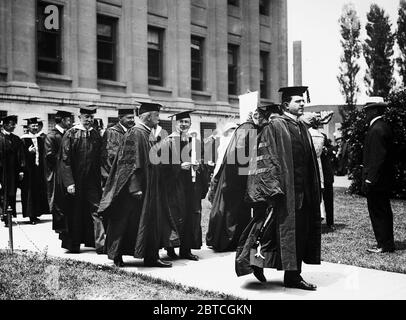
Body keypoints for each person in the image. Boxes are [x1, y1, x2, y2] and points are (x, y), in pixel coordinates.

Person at [236, 86, 321, 291]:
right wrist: (272, 189)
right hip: (281, 192)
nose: (302, 104)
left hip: (301, 192)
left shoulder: (301, 127)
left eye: (303, 101)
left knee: (298, 234)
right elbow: (264, 159)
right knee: (264, 232)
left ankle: (293, 276)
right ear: (286, 105)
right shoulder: (275, 126)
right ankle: (256, 264)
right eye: (298, 101)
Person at [98, 102, 177, 267]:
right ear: (148, 117)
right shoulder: (135, 133)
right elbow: (128, 163)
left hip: (149, 186)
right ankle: (117, 256)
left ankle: (151, 256)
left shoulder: (146, 133)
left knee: (149, 221)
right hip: (136, 189)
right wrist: (134, 187)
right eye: (156, 115)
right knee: (125, 221)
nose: (158, 119)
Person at [206, 104, 276, 252]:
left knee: (231, 211)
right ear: (258, 116)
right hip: (235, 178)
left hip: (235, 176)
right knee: (232, 212)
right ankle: (228, 242)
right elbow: (237, 155)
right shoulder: (248, 129)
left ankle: (228, 241)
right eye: (267, 119)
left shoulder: (248, 128)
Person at [55, 105, 104, 253]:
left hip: (92, 181)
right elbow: (65, 159)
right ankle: (74, 243)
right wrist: (69, 182)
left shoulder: (95, 135)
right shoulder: (71, 134)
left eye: (91, 117)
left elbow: (100, 158)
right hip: (75, 181)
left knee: (97, 210)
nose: (89, 120)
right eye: (86, 117)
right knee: (75, 212)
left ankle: (100, 244)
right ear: (79, 118)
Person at [160, 111, 209, 261]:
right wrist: (180, 167)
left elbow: (203, 161)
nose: (183, 125)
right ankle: (170, 248)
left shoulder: (195, 141)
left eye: (186, 122)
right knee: (175, 215)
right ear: (176, 124)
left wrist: (198, 166)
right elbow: (162, 165)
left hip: (192, 185)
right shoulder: (168, 141)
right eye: (181, 122)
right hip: (174, 185)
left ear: (190, 124)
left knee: (191, 216)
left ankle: (186, 250)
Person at [362, 98, 395, 253]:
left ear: (374, 110)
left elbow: (377, 157)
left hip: (377, 180)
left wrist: (370, 178)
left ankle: (384, 244)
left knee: (378, 212)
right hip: (383, 179)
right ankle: (386, 242)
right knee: (383, 211)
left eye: (367, 110)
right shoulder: (383, 126)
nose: (365, 113)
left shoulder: (376, 129)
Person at [21, 117, 49, 224]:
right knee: (29, 193)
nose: (35, 127)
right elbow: (21, 156)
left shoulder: (40, 138)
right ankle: (31, 215)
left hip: (39, 169)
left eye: (36, 125)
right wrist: (28, 152)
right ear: (28, 127)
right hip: (29, 170)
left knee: (38, 191)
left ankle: (37, 213)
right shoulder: (24, 139)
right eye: (33, 126)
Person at [45, 110, 73, 214]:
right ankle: (60, 227)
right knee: (58, 199)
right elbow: (49, 155)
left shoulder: (68, 133)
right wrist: (65, 158)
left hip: (67, 171)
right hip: (57, 172)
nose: (69, 123)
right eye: (68, 120)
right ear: (62, 120)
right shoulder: (51, 135)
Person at [101, 107, 135, 187]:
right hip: (116, 177)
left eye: (133, 118)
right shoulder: (112, 132)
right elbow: (110, 156)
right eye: (129, 118)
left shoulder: (132, 132)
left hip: (129, 176)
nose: (132, 120)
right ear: (120, 118)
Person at [0, 115, 25, 227]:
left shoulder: (16, 139)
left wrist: (21, 170)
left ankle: (9, 216)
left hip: (12, 172)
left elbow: (21, 156)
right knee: (2, 194)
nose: (14, 126)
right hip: (1, 172)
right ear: (5, 125)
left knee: (11, 194)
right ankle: (3, 214)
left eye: (14, 124)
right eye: (11, 124)